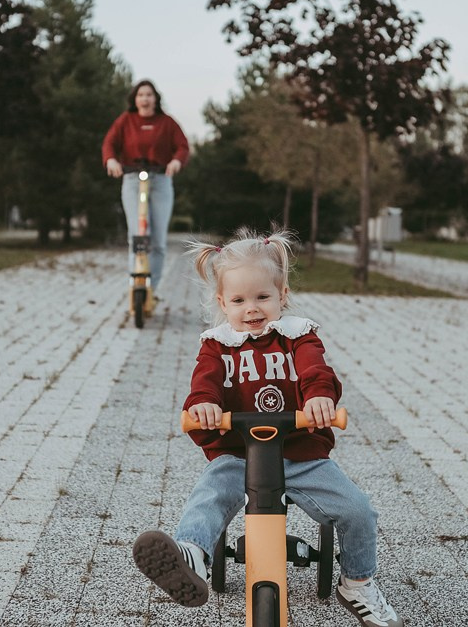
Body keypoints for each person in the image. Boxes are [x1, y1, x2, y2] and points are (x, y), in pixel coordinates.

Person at [132, 228, 404, 627]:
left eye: (262, 297)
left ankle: (358, 582)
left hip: (300, 454)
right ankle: (192, 554)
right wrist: (204, 404)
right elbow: (204, 381)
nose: (252, 309)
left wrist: (318, 398)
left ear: (282, 296)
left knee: (359, 510)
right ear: (223, 303)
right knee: (210, 493)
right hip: (239, 454)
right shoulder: (217, 345)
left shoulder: (297, 335)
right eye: (239, 300)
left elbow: (315, 369)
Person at [101, 79, 189, 299]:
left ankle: (153, 287)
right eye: (141, 95)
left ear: (155, 98)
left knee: (158, 240)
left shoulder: (166, 122)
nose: (145, 98)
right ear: (135, 98)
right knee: (138, 234)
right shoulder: (126, 120)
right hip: (132, 179)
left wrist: (176, 161)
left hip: (160, 180)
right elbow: (109, 144)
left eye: (149, 94)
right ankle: (135, 282)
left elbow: (182, 146)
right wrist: (111, 160)